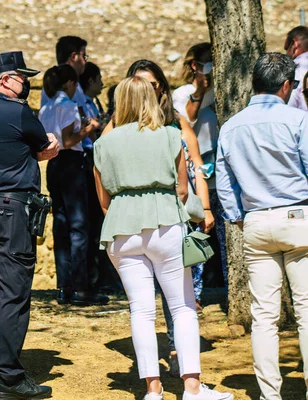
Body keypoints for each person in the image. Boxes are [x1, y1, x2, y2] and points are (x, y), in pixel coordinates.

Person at [94, 76, 233, 400]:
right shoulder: (170, 136)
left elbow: (103, 199)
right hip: (165, 221)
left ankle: (153, 390)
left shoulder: (103, 144)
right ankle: (192, 388)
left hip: (120, 228)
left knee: (140, 310)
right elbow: (183, 190)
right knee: (182, 308)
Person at [0, 50, 59, 400]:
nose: (27, 84)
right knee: (14, 294)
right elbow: (42, 144)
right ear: (5, 80)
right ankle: (10, 378)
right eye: (22, 78)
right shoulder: (18, 111)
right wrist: (45, 151)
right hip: (12, 208)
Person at [216, 52, 308, 400]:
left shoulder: (231, 126)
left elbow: (225, 183)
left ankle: (270, 395)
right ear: (286, 85)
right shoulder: (298, 120)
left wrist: (237, 215)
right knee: (306, 309)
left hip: (255, 220)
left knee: (264, 316)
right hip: (298, 216)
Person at [125, 59, 215, 377]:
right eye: (139, 82)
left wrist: (204, 207)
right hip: (138, 219)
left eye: (152, 83)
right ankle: (154, 361)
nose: (146, 89)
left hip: (177, 213)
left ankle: (178, 350)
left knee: (178, 291)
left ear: (161, 87)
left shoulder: (175, 122)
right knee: (146, 296)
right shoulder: (120, 124)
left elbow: (196, 167)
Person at [38, 64, 106, 305]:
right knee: (79, 226)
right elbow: (67, 140)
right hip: (70, 162)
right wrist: (90, 127)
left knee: (62, 223)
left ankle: (64, 285)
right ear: (68, 83)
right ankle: (81, 286)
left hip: (54, 165)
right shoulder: (66, 105)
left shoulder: (46, 107)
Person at [172, 42, 228, 291]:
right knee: (196, 235)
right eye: (207, 62)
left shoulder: (224, 90)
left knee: (226, 238)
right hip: (196, 178)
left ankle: (231, 287)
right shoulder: (183, 93)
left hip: (221, 174)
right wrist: (200, 90)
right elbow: (188, 119)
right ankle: (193, 292)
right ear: (195, 65)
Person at [79, 61, 116, 294]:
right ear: (90, 81)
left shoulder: (91, 102)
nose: (102, 84)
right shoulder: (81, 102)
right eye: (99, 78)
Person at [40, 36, 89, 108]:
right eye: (84, 56)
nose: (85, 62)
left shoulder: (52, 80)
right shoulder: (64, 82)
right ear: (74, 56)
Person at [285, 26, 308, 110]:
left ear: (295, 44)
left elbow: (289, 106)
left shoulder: (294, 69)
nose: (286, 53)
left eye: (286, 48)